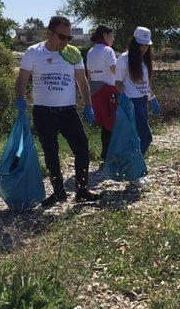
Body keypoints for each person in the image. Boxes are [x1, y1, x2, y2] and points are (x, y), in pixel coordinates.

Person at [14, 16, 99, 207]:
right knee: (51, 152)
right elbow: (21, 80)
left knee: (82, 149)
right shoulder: (33, 52)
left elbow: (82, 81)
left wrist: (88, 105)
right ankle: (58, 192)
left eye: (69, 38)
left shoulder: (73, 53)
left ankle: (82, 189)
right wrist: (20, 100)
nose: (66, 42)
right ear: (50, 33)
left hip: (68, 111)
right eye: (62, 37)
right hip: (43, 112)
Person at [114, 26, 154, 161]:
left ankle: (133, 166)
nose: (143, 48)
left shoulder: (144, 60)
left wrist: (151, 98)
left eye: (146, 45)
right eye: (140, 45)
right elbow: (118, 82)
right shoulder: (124, 59)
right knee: (145, 137)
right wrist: (123, 99)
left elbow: (146, 83)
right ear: (134, 42)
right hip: (131, 103)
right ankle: (133, 168)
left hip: (142, 102)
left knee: (138, 138)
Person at [86, 25, 118, 160]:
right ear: (105, 35)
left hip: (94, 91)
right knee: (111, 123)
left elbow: (88, 74)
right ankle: (109, 155)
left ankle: (105, 154)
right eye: (111, 36)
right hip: (107, 90)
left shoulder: (90, 51)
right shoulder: (108, 50)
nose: (112, 39)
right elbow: (115, 70)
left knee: (105, 124)